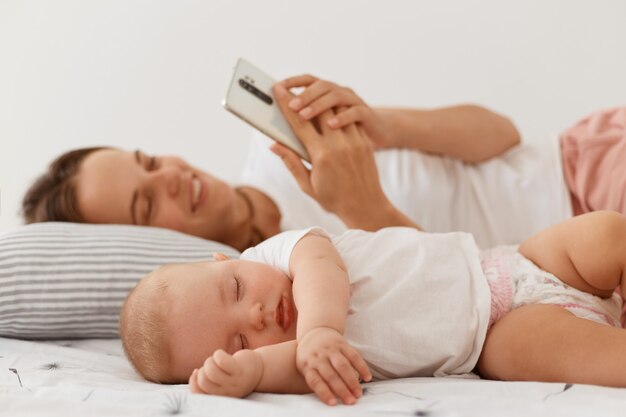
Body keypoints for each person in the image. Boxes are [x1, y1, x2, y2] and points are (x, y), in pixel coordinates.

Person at [20, 75, 625, 248]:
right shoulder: (279, 281)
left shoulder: (274, 143)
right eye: (146, 203)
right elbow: (470, 296)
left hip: (578, 170)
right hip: (577, 268)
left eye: (149, 161)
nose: (171, 176)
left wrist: (384, 126)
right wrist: (365, 209)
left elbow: (502, 133)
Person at [120, 210, 626, 406]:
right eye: (238, 341)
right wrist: (249, 372)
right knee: (582, 357)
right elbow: (296, 371)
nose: (253, 316)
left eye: (233, 289)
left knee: (606, 233)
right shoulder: (308, 356)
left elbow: (322, 267)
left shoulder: (281, 252)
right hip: (494, 335)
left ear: (227, 259)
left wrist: (318, 329)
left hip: (514, 263)